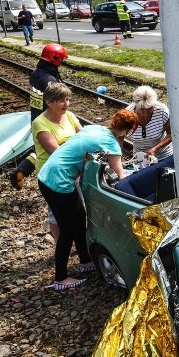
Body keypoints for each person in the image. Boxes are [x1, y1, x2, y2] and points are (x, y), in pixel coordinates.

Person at [37, 109, 136, 291]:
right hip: (57, 182)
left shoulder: (94, 128)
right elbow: (121, 177)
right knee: (67, 230)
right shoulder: (111, 144)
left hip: (50, 172)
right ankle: (60, 278)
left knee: (80, 217)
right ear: (127, 131)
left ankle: (85, 261)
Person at [10, 43, 70, 189]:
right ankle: (49, 181)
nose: (62, 62)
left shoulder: (37, 73)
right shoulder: (50, 80)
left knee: (39, 149)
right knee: (54, 151)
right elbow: (56, 100)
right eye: (61, 59)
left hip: (36, 116)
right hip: (48, 119)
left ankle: (21, 171)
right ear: (55, 59)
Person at [31, 82, 82, 241]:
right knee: (56, 210)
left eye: (67, 99)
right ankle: (61, 243)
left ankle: (78, 239)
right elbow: (56, 152)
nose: (66, 104)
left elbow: (83, 137)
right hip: (53, 174)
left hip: (74, 169)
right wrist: (77, 148)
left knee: (79, 207)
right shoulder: (40, 123)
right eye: (61, 101)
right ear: (49, 102)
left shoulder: (70, 116)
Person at [124, 85, 173, 162]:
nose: (145, 113)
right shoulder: (128, 114)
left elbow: (171, 134)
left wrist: (155, 149)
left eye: (149, 109)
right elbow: (119, 136)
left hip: (163, 156)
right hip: (140, 158)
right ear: (136, 104)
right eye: (142, 109)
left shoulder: (162, 111)